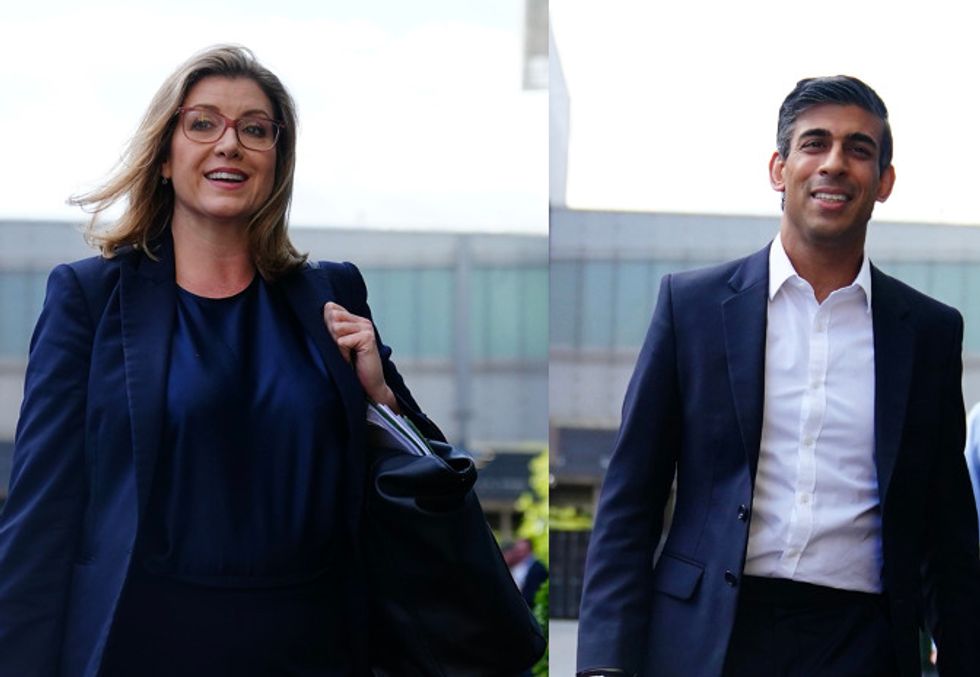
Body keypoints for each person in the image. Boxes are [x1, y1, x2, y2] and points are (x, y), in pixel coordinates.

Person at [0, 45, 443, 677]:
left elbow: (425, 486)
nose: (229, 144)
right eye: (203, 123)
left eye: (255, 130)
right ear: (163, 156)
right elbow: (41, 515)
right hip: (143, 646)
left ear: (277, 161)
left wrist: (383, 399)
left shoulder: (333, 295)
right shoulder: (89, 298)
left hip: (314, 647)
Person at [576, 76, 980, 677]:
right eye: (815, 144)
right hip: (709, 639)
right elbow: (630, 500)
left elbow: (946, 533)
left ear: (884, 182)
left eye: (859, 149)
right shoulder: (692, 307)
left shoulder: (929, 333)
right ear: (779, 168)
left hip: (862, 644)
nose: (834, 163)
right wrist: (604, 664)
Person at [505, 537, 549, 608]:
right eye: (517, 551)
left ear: (529, 550)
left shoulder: (538, 568)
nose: (519, 554)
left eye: (522, 551)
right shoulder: (518, 565)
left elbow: (533, 594)